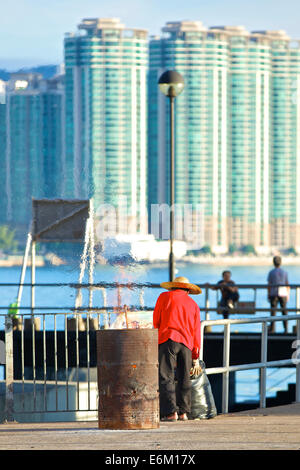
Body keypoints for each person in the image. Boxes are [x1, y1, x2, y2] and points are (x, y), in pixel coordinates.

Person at [153, 276, 202, 422]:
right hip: (187, 344)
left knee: (166, 376)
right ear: (188, 290)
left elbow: (156, 320)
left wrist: (157, 335)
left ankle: (170, 412)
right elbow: (196, 332)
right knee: (184, 377)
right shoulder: (193, 304)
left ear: (173, 287)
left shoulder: (164, 296)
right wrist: (195, 356)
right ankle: (183, 413)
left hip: (168, 338)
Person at [267, 256, 290, 334]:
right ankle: (286, 329)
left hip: (273, 293)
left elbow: (269, 284)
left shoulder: (271, 272)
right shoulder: (285, 272)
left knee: (273, 311)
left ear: (273, 263)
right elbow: (287, 284)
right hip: (283, 293)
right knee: (284, 311)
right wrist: (288, 294)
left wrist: (268, 294)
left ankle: (272, 329)